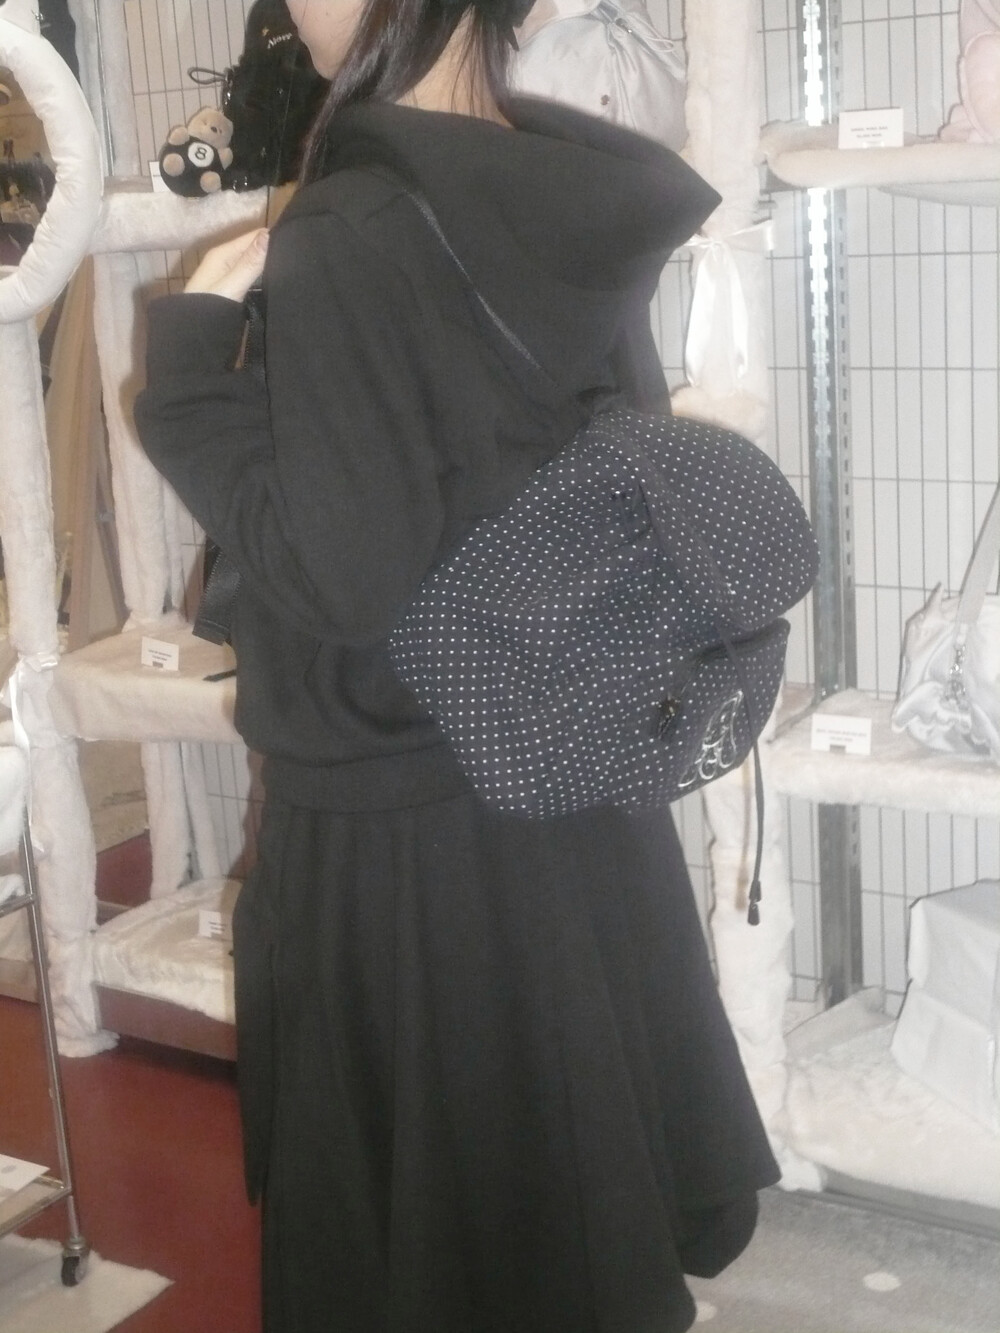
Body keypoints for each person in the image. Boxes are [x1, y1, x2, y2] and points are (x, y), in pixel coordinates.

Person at [134, 0, 780, 1328]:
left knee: (430, 1259)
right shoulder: (563, 193)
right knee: (563, 1228)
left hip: (405, 844)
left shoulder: (350, 225)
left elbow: (344, 577)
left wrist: (192, 376)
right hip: (565, 781)